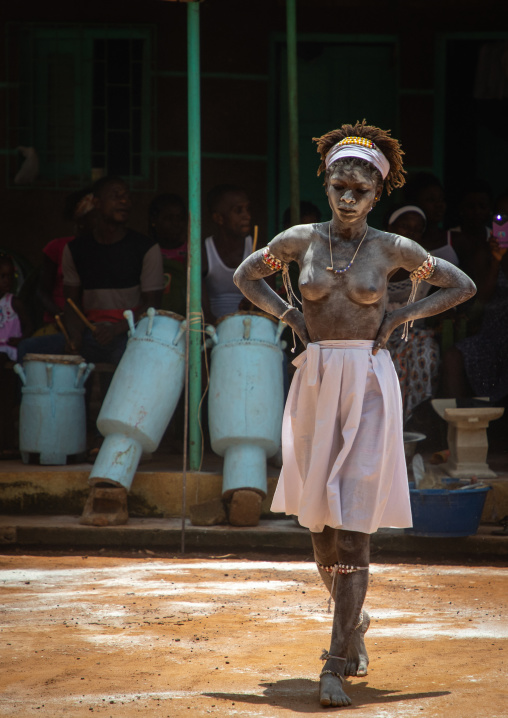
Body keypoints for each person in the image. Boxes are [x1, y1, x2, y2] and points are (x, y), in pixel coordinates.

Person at [233, 120, 476, 708]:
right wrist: (290, 316)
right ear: (326, 181)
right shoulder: (300, 242)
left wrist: (398, 316)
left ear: (376, 195)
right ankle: (354, 619)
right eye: (339, 185)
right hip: (316, 381)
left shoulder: (394, 251)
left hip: (367, 384)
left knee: (352, 529)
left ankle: (336, 662)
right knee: (319, 527)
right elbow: (247, 277)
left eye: (360, 191)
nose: (347, 197)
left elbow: (461, 285)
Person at [18, 176, 164, 365]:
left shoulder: (146, 248)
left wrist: (115, 329)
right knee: (27, 349)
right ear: (97, 203)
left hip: (129, 334)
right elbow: (72, 303)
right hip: (90, 334)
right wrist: (75, 337)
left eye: (127, 196)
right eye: (116, 196)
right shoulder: (75, 250)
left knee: (124, 356)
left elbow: (152, 306)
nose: (124, 201)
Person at [385, 204, 458, 421]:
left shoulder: (427, 266)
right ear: (390, 227)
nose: (410, 232)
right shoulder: (372, 262)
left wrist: (445, 316)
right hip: (376, 335)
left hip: (415, 334)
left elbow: (447, 297)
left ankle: (410, 420)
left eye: (417, 229)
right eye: (404, 226)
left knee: (426, 356)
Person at [441, 190, 508, 400]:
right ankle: (459, 427)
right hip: (494, 333)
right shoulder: (485, 252)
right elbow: (482, 300)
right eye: (502, 216)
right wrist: (496, 261)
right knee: (454, 356)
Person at [203, 184, 253, 322]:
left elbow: (271, 307)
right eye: (238, 211)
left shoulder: (258, 250)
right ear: (219, 218)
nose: (247, 216)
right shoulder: (203, 253)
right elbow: (201, 312)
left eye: (248, 209)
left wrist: (256, 304)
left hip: (252, 328)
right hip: (214, 332)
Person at [0, 254, 32, 457]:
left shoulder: (14, 302)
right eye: (2, 276)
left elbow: (30, 328)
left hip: (8, 357)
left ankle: (7, 443)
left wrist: (19, 341)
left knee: (6, 401)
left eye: (10, 276)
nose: (7, 281)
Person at [148, 193, 188, 317]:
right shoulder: (146, 251)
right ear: (154, 220)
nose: (176, 224)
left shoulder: (192, 252)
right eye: (169, 218)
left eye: (180, 218)